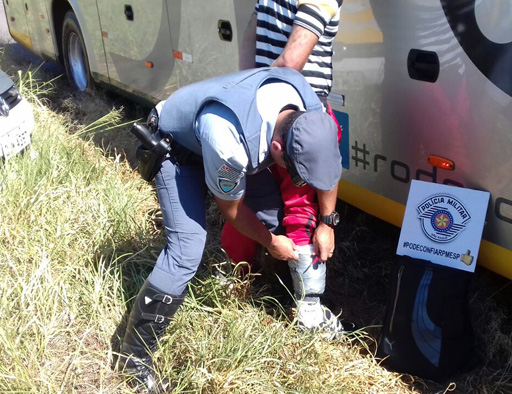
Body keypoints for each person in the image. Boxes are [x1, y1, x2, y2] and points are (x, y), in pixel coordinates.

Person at [119, 66, 341, 392]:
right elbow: (233, 211)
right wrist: (271, 242)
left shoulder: (309, 106)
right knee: (187, 250)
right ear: (277, 150)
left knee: (270, 213)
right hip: (179, 148)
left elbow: (328, 169)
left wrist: (327, 222)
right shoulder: (228, 143)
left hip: (239, 140)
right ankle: (134, 356)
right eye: (296, 172)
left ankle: (276, 290)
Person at [221, 0, 344, 332]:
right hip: (300, 113)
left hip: (257, 112)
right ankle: (309, 311)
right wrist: (327, 222)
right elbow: (292, 60)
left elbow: (252, 29)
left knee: (246, 199)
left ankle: (235, 282)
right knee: (301, 206)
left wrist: (249, 90)